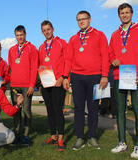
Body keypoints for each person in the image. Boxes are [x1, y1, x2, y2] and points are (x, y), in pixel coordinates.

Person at [62, 11, 109, 150]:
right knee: (78, 108)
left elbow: (105, 56)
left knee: (93, 108)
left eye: (84, 19)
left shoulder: (99, 35)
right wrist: (66, 77)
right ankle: (80, 137)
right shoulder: (73, 38)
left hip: (95, 76)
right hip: (77, 77)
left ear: (90, 19)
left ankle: (92, 137)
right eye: (79, 20)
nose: (81, 21)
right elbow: (68, 59)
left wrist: (105, 75)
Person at [109, 3, 138, 158]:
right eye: (122, 13)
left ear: (132, 13)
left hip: (135, 76)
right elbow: (110, 53)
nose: (125, 15)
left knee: (137, 110)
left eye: (127, 12)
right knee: (120, 111)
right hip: (120, 76)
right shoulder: (114, 34)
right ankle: (122, 142)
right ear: (119, 15)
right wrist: (113, 60)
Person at [39, 20, 67, 151]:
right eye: (44, 30)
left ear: (53, 29)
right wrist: (40, 81)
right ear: (42, 32)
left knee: (57, 109)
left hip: (58, 82)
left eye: (48, 29)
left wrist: (63, 77)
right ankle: (53, 136)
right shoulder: (41, 47)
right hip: (46, 83)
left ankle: (61, 139)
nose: (46, 32)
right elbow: (41, 65)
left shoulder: (61, 43)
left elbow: (68, 61)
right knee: (49, 110)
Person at [8, 25, 39, 145]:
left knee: (26, 110)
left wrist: (32, 85)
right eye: (17, 35)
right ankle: (16, 134)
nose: (19, 37)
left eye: (21, 35)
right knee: (16, 111)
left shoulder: (32, 48)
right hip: (15, 85)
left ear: (25, 34)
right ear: (15, 36)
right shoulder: (11, 50)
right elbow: (11, 67)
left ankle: (26, 135)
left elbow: (34, 68)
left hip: (27, 86)